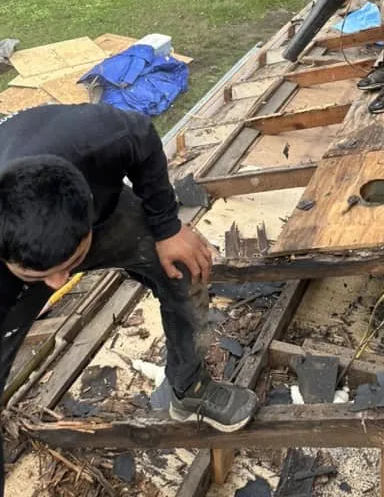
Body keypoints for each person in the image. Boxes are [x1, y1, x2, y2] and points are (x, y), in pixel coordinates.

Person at [0, 103, 257, 489]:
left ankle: (190, 389)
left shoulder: (101, 139)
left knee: (185, 266)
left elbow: (143, 138)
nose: (58, 284)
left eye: (70, 263)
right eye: (38, 275)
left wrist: (167, 228)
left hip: (92, 206)